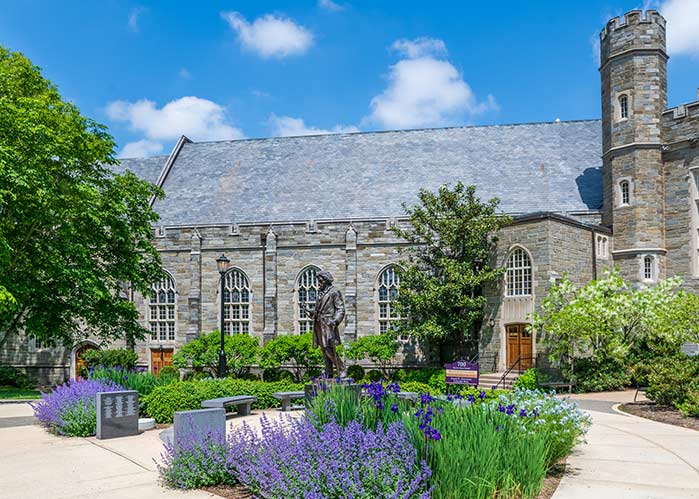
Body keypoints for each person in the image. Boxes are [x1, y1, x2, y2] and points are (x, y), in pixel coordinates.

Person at [302, 270, 346, 378]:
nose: (319, 283)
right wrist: (308, 310)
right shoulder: (320, 293)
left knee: (328, 349)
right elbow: (318, 310)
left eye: (320, 280)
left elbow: (340, 309)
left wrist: (335, 321)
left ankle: (341, 369)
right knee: (323, 349)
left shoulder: (334, 292)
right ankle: (329, 372)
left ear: (326, 280)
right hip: (318, 325)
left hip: (328, 324)